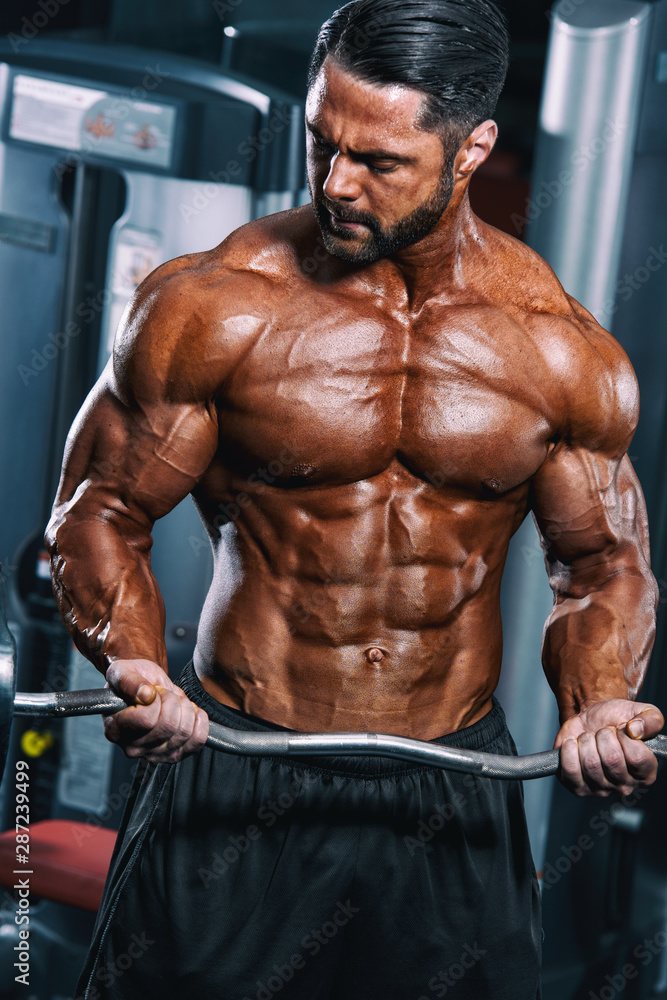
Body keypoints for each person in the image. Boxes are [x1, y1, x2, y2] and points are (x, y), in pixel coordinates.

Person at [46, 1, 662, 997]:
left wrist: (598, 704)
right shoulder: (214, 304)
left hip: (450, 786)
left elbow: (603, 564)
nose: (335, 183)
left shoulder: (556, 348)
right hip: (237, 761)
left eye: (378, 162)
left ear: (471, 151)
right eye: (321, 142)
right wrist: (137, 667)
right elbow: (96, 511)